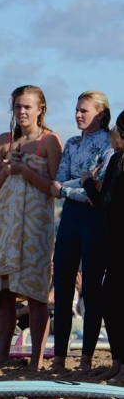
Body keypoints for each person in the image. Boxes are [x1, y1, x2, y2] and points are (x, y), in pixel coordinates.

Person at [0, 85, 63, 370]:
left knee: (35, 294)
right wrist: (7, 169)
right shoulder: (3, 141)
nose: (22, 112)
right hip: (4, 225)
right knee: (4, 293)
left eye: (28, 107)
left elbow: (56, 188)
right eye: (18, 106)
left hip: (35, 227)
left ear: (40, 109)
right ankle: (1, 356)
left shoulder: (50, 141)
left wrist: (26, 171)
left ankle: (37, 360)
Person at [50, 91, 113, 371]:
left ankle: (86, 357)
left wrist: (66, 189)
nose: (77, 115)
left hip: (95, 220)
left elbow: (96, 191)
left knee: (90, 290)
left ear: (100, 114)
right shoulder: (73, 144)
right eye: (76, 110)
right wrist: (74, 186)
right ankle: (60, 357)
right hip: (69, 221)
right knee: (62, 287)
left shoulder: (108, 145)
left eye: (83, 111)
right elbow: (59, 183)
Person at [83, 110, 124, 382]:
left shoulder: (119, 160)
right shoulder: (118, 160)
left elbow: (103, 201)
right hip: (116, 241)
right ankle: (118, 365)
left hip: (119, 242)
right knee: (112, 301)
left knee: (113, 300)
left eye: (116, 131)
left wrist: (87, 182)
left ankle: (121, 367)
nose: (112, 135)